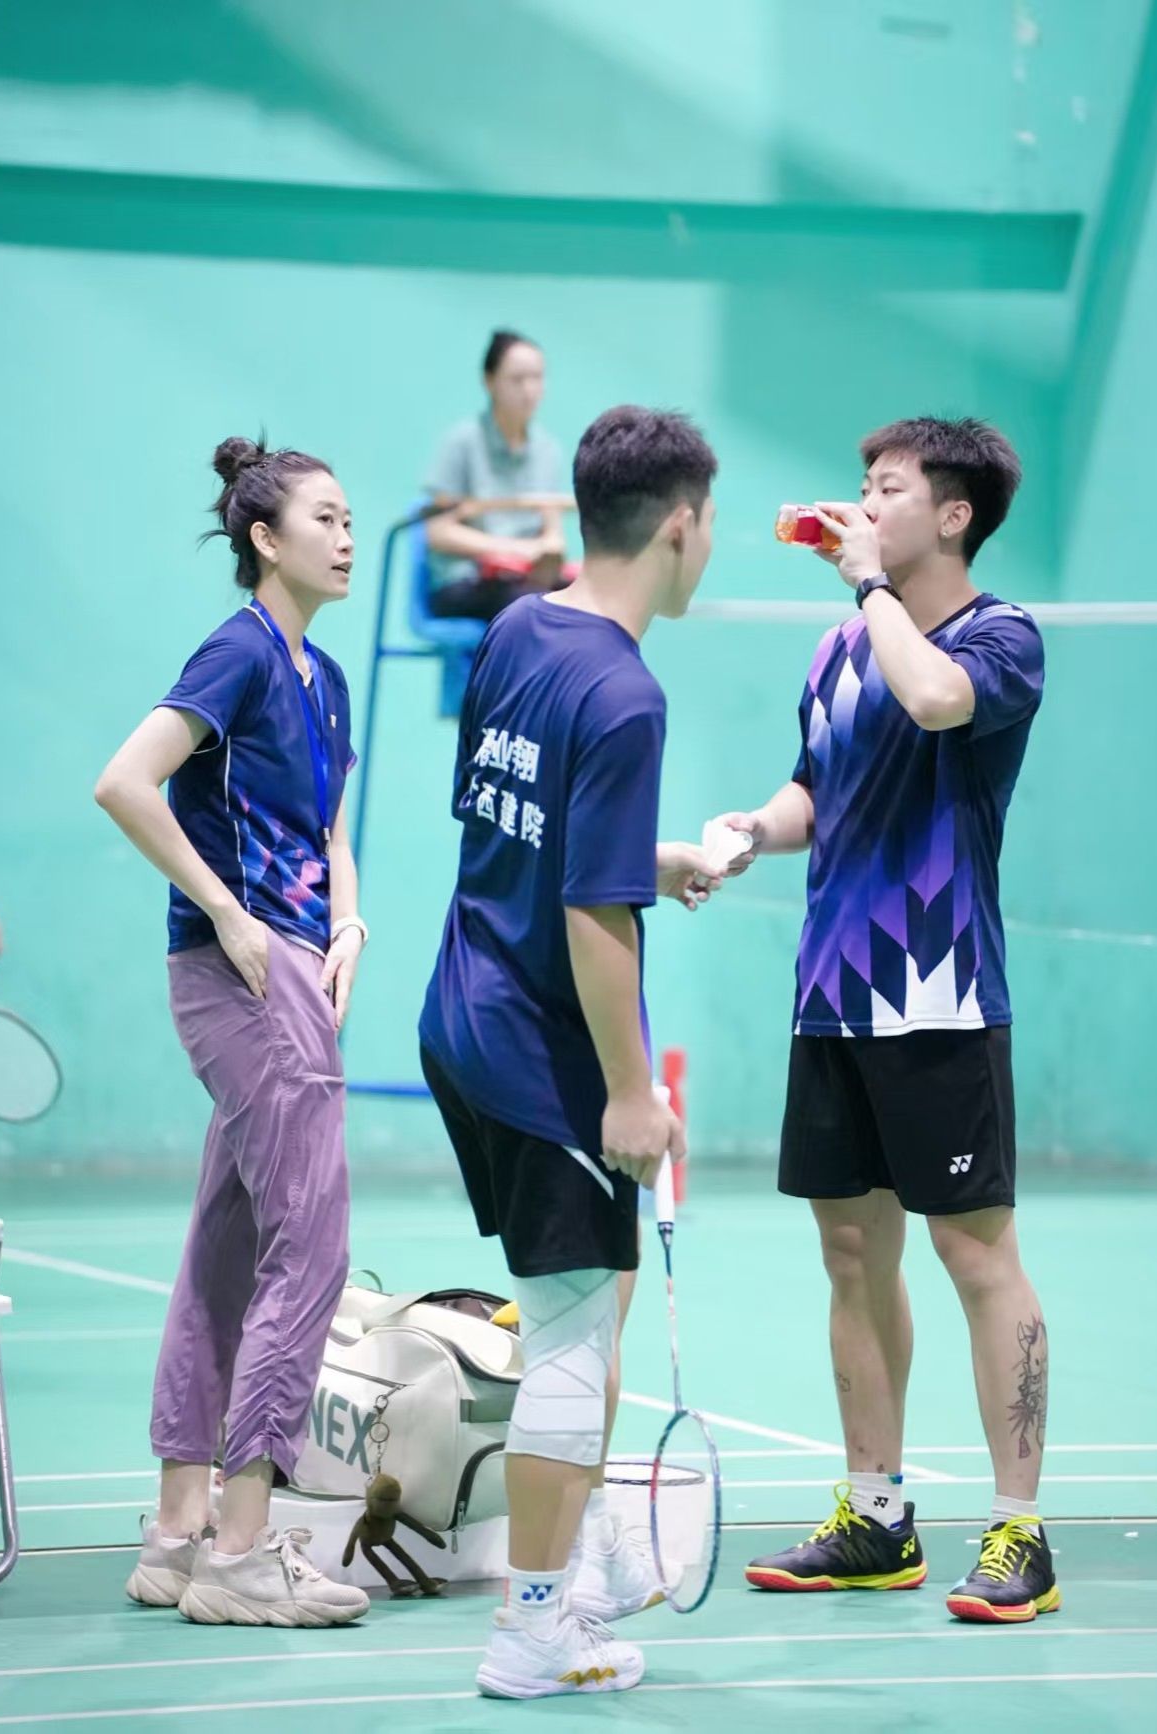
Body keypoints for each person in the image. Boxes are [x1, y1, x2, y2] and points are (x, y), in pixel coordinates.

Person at [722, 417, 1057, 1624]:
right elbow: (817, 786)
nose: (861, 504)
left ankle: (1020, 1532)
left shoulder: (999, 637)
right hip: (833, 991)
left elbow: (936, 701)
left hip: (941, 990)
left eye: (889, 488)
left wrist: (870, 587)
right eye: (860, 486)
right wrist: (748, 833)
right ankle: (876, 1517)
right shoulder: (835, 649)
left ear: (954, 515)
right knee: (853, 1254)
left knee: (976, 1255)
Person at [419, 405, 725, 1699]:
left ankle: (580, 1566)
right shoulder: (627, 693)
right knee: (570, 1333)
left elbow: (514, 825)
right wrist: (629, 1093)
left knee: (583, 1304)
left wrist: (648, 855)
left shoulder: (518, 626)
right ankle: (533, 1625)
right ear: (679, 525)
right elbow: (594, 916)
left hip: (460, 1012)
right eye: (710, 521)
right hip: (541, 1050)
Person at [95, 437, 370, 1628]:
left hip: (302, 965)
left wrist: (348, 920)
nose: (347, 537)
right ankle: (246, 1550)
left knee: (228, 1244)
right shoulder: (240, 651)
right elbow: (125, 781)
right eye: (326, 518)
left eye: (351, 518)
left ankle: (177, 1536)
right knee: (310, 1250)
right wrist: (226, 910)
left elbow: (329, 829)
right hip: (245, 975)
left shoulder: (326, 677)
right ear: (266, 538)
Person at [425, 329, 575, 621]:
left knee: (588, 604)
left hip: (525, 580)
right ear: (489, 381)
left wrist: (551, 552)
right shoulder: (461, 442)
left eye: (537, 378)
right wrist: (515, 551)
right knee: (528, 607)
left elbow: (552, 532)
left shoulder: (548, 450)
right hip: (466, 580)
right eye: (517, 379)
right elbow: (437, 532)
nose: (529, 389)